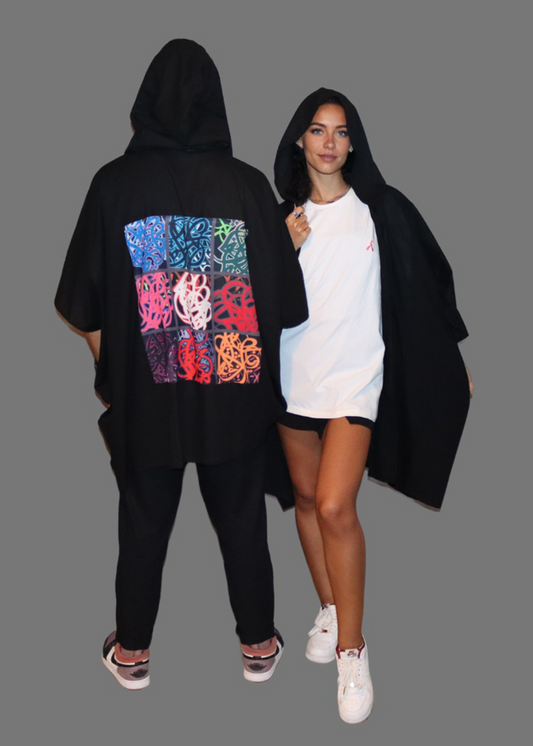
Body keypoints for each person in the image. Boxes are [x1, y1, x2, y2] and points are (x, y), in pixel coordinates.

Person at [54, 39, 307, 691]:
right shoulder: (247, 185)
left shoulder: (112, 184)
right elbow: (285, 304)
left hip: (148, 393)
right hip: (232, 390)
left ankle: (131, 654)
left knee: (143, 522)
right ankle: (259, 645)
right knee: (242, 518)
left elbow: (80, 302)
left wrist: (114, 375)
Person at [273, 89, 472, 723]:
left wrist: (451, 359)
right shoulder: (281, 219)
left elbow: (428, 280)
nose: (328, 142)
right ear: (299, 140)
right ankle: (331, 610)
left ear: (353, 141)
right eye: (317, 130)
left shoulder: (380, 210)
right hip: (292, 380)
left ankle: (353, 653)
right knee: (306, 500)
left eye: (340, 130)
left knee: (336, 506)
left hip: (355, 382)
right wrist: (281, 250)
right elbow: (246, 302)